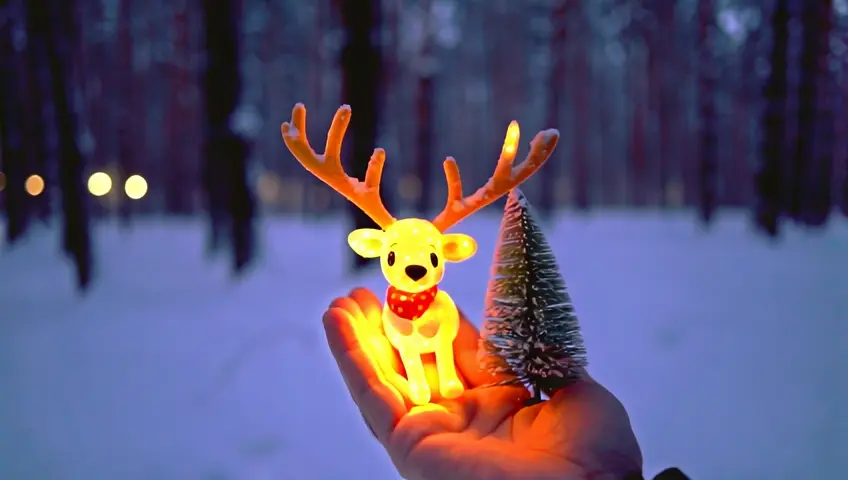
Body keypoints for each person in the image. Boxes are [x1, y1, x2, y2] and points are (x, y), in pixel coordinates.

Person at [323, 288, 688, 480]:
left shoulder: (442, 308)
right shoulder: (393, 313)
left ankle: (445, 373)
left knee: (444, 355)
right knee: (408, 358)